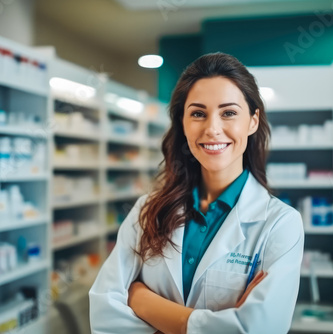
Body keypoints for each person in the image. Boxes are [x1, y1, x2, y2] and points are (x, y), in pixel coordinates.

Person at [89, 52, 304, 334]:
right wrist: (219, 322)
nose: (212, 129)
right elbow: (104, 315)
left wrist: (141, 299)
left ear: (252, 121)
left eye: (228, 113)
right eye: (198, 114)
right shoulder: (147, 211)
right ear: (183, 123)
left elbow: (258, 328)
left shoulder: (280, 224)